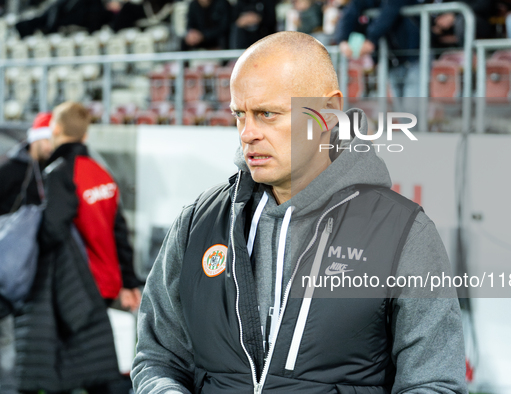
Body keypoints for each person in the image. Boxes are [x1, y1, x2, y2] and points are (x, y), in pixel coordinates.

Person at [132, 31, 467, 393]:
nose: (247, 133)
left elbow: (434, 382)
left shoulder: (404, 231)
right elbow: (157, 359)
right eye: (239, 115)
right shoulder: (198, 223)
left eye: (267, 114)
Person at [14, 102, 142, 394]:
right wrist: (129, 282)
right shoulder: (102, 173)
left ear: (56, 130)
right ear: (85, 135)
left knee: (69, 370)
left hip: (76, 290)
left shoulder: (60, 172)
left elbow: (52, 230)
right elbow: (119, 231)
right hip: (107, 284)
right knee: (97, 364)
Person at [0, 113, 53, 394]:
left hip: (25, 273)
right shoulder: (11, 169)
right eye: (48, 139)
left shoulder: (46, 169)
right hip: (7, 275)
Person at [336, 0, 422, 98]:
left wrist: (371, 39)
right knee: (400, 107)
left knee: (412, 106)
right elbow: (350, 12)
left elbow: (390, 9)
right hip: (392, 59)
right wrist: (342, 40)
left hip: (415, 54)